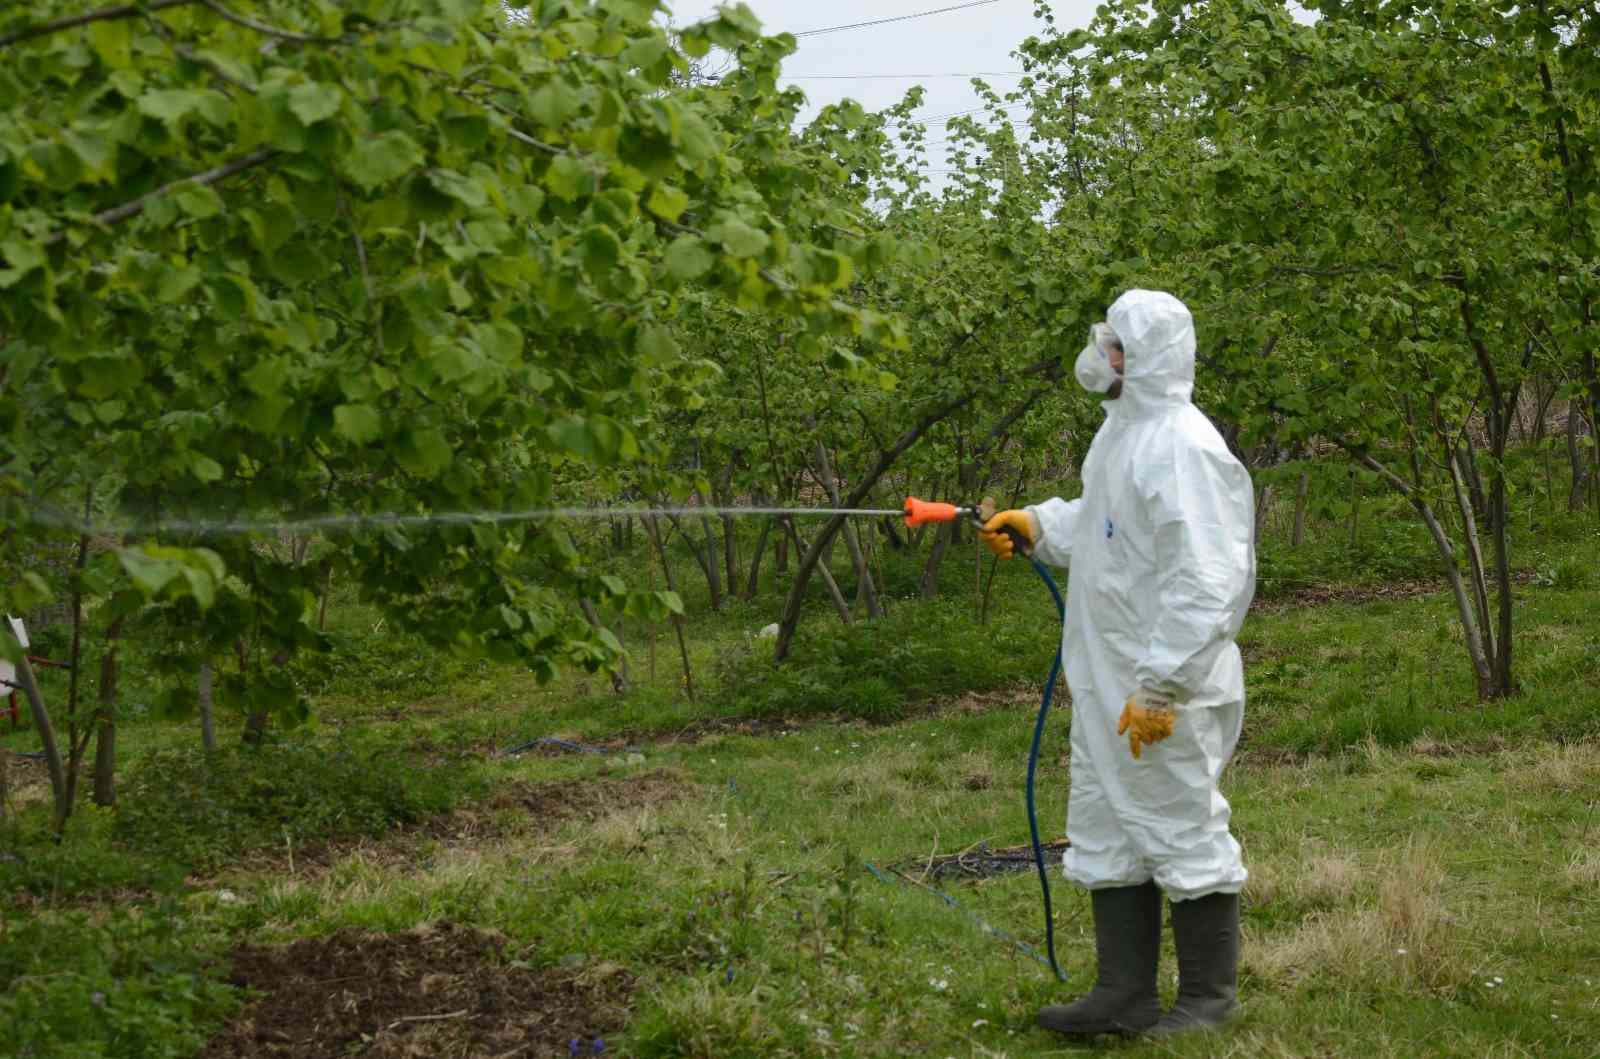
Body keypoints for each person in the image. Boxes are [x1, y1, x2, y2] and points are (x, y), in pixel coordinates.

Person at [981, 289, 1256, 1039]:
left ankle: (1206, 1000)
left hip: (1164, 688)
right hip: (1106, 682)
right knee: (1107, 829)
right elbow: (1107, 529)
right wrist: (1040, 523)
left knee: (1180, 826)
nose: (1102, 356)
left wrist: (1162, 685)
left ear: (1144, 358)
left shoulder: (1184, 447)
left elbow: (1207, 583)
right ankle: (1122, 993)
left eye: (1115, 346)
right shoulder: (1121, 435)